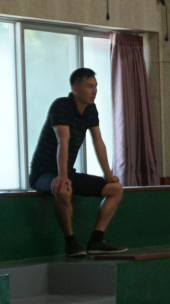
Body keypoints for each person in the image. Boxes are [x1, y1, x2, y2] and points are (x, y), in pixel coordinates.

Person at [29, 67, 127, 258]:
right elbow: (62, 141)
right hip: (43, 173)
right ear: (75, 89)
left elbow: (98, 141)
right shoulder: (61, 106)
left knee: (116, 189)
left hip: (66, 170)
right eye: (89, 86)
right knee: (63, 189)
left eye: (96, 86)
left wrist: (108, 175)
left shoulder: (91, 109)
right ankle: (70, 242)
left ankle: (97, 240)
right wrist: (62, 176)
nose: (94, 91)